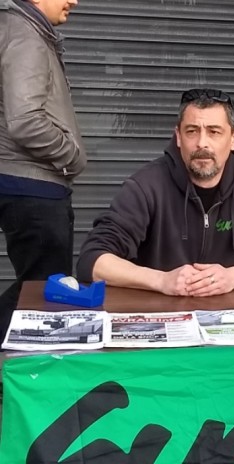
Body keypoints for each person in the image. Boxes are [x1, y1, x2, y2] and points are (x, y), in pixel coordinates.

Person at [77, 88, 234, 296]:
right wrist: (161, 281)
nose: (202, 143)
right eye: (192, 131)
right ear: (178, 137)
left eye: (214, 132)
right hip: (158, 313)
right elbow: (93, 260)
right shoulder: (147, 185)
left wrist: (232, 277)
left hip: (226, 316)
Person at [0, 0, 86, 339]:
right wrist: (71, 156)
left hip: (25, 183)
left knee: (35, 287)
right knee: (42, 292)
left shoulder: (24, 30)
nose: (74, 1)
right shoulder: (26, 36)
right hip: (33, 187)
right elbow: (26, 122)